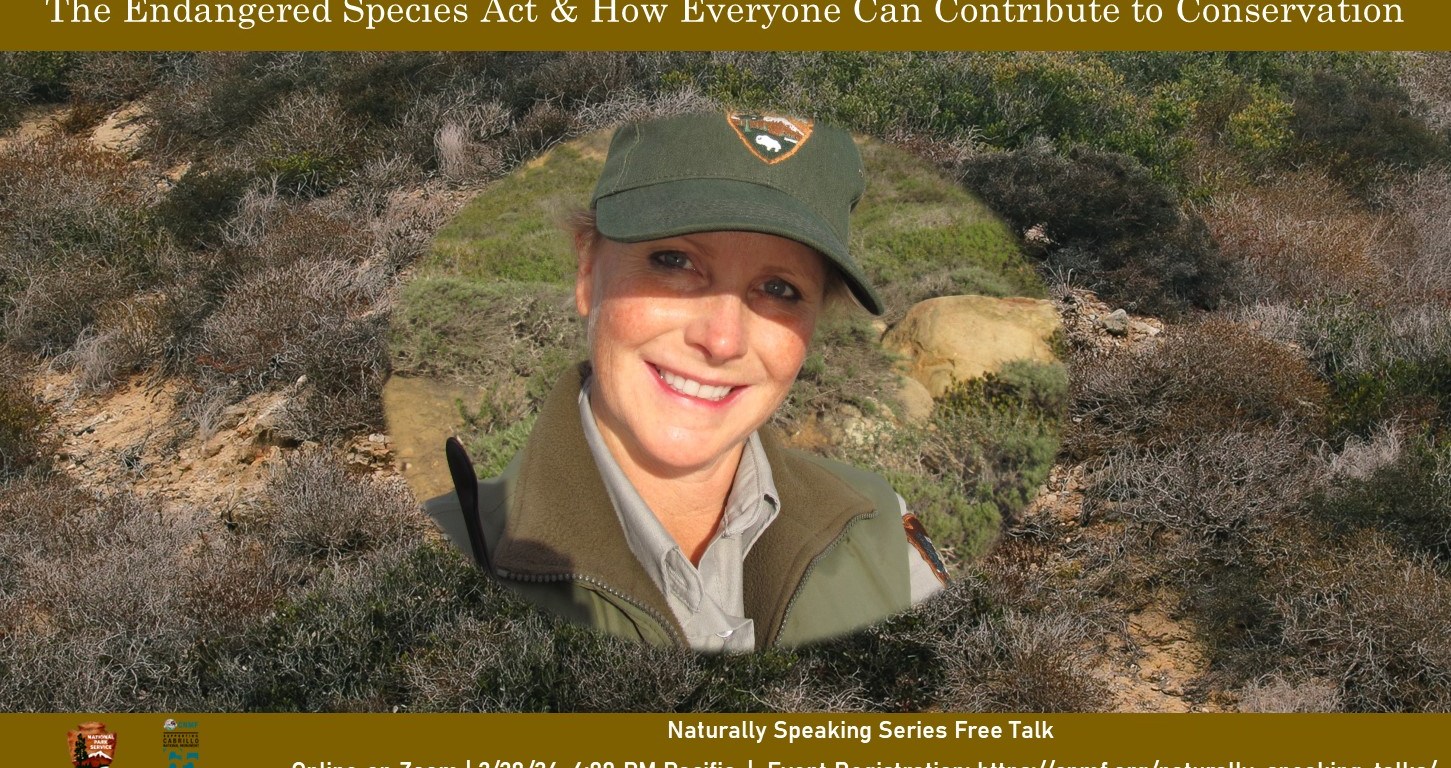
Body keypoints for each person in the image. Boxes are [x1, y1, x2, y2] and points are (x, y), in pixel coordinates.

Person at [426, 111, 947, 652]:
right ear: (587, 271)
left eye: (779, 288)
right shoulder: (438, 559)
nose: (721, 340)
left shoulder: (877, 528)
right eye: (674, 261)